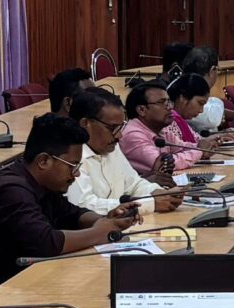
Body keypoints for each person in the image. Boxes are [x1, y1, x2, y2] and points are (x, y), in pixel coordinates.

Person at [0, 115, 138, 278]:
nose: (76, 174)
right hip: (10, 285)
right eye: (72, 166)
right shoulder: (10, 190)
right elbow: (47, 243)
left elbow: (72, 214)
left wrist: (106, 220)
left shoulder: (41, 181)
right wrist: (98, 232)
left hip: (40, 275)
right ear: (43, 161)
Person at [66, 88, 178, 216]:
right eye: (113, 128)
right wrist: (150, 204)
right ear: (85, 123)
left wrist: (159, 193)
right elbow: (83, 205)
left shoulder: (110, 146)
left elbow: (133, 184)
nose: (119, 135)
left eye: (121, 127)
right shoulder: (69, 156)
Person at [119, 81, 202, 177]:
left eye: (169, 102)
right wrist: (200, 151)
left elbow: (182, 147)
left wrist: (201, 146)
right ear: (142, 110)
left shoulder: (160, 130)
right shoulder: (132, 135)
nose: (170, 107)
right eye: (162, 102)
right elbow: (164, 164)